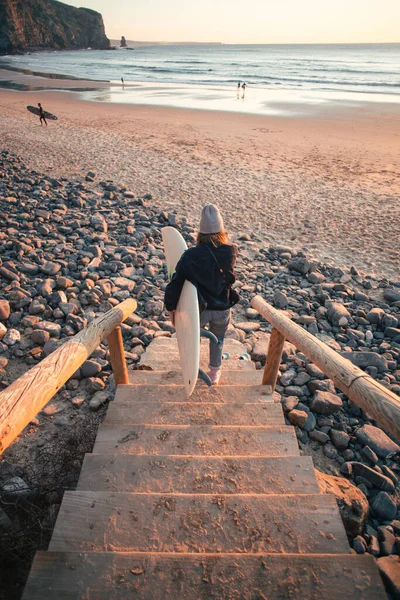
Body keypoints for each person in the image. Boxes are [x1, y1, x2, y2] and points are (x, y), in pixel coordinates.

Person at [164, 204, 239, 385]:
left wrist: (171, 309)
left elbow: (176, 283)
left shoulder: (191, 255)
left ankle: (193, 368)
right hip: (222, 308)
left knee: (193, 338)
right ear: (221, 229)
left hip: (199, 310)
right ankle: (215, 373)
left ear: (200, 232)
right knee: (218, 338)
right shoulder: (230, 251)